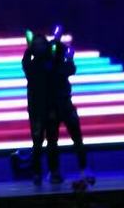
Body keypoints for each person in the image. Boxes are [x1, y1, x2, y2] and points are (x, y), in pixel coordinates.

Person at [22, 29, 93, 189]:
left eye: (42, 44)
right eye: (36, 45)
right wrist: (51, 45)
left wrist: (61, 49)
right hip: (42, 110)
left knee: (74, 139)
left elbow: (70, 69)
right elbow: (29, 66)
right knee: (44, 143)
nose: (39, 47)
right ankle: (45, 173)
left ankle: (78, 169)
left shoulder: (53, 62)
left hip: (62, 106)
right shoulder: (34, 65)